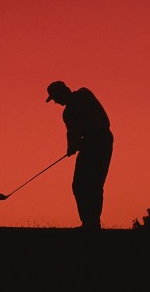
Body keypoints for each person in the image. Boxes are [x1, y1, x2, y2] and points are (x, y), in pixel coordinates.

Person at [46, 80, 114, 230]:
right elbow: (73, 131)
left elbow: (76, 128)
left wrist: (73, 146)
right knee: (83, 185)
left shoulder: (81, 97)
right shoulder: (79, 99)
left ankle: (91, 223)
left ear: (63, 92)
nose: (56, 102)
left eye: (55, 98)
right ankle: (90, 222)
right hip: (95, 142)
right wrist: (72, 146)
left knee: (90, 184)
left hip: (98, 142)